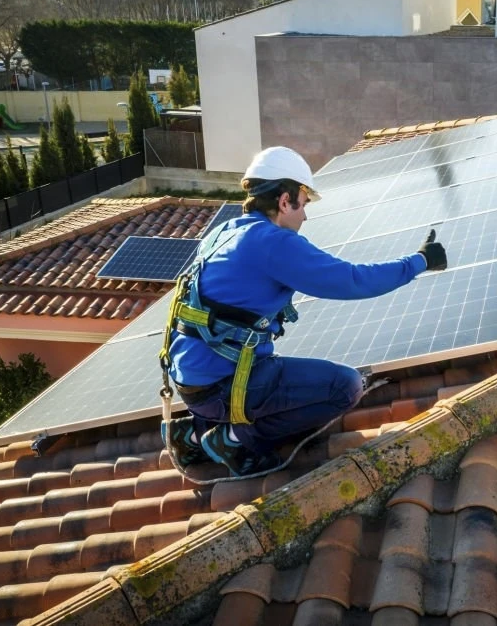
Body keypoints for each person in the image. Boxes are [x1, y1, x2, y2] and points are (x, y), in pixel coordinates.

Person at [160, 146, 448, 476]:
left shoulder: (223, 233)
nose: (305, 216)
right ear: (285, 201)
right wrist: (420, 261)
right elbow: (353, 280)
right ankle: (233, 438)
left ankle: (194, 432)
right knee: (346, 386)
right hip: (224, 387)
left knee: (275, 368)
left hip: (193, 383)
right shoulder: (272, 243)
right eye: (303, 203)